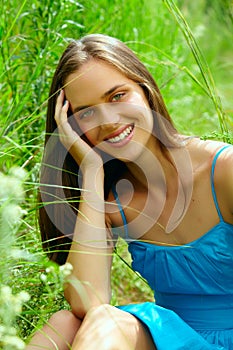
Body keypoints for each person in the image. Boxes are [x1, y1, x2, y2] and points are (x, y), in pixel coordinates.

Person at [26, 34, 233, 349]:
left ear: (145, 90)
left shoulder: (224, 170)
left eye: (117, 96)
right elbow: (88, 302)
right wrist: (93, 173)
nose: (108, 121)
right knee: (64, 323)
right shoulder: (114, 204)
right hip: (174, 339)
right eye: (86, 113)